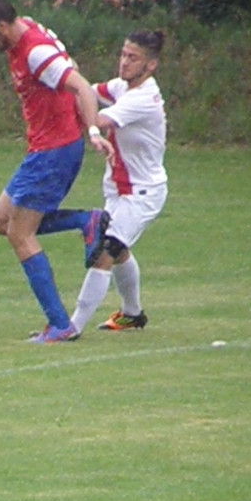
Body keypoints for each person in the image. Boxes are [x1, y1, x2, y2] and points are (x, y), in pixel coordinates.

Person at [0, 0, 112, 343]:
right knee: (0, 220)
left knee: (20, 234)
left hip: (54, 151)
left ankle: (60, 324)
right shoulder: (27, 29)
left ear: (2, 27)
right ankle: (85, 220)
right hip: (42, 150)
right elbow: (66, 62)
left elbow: (80, 85)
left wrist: (93, 130)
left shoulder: (34, 51)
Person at [68, 29, 168, 334]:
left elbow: (98, 119)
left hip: (142, 193)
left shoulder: (143, 98)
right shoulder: (121, 87)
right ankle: (132, 314)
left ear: (150, 65)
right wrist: (68, 76)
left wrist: (73, 86)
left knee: (105, 251)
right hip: (118, 190)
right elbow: (88, 92)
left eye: (132, 58)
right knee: (119, 250)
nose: (124, 62)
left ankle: (71, 327)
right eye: (123, 54)